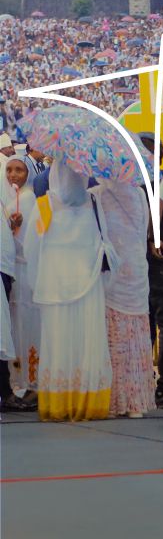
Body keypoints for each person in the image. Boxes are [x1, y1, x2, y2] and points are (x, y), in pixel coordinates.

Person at [23, 153, 113, 421]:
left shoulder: (45, 205)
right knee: (86, 341)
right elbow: (104, 240)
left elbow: (31, 249)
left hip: (55, 287)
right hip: (89, 286)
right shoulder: (93, 202)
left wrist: (41, 276)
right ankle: (87, 401)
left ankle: (60, 403)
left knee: (58, 341)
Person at [98, 177, 155, 418]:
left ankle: (113, 398)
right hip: (137, 273)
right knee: (135, 335)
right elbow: (144, 234)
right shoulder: (140, 194)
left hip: (113, 275)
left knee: (113, 336)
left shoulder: (97, 194)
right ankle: (135, 401)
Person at [1, 155, 37, 411]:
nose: (13, 175)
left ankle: (25, 382)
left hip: (23, 271)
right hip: (9, 270)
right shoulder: (7, 198)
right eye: (9, 170)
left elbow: (31, 240)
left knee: (23, 326)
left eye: (19, 170)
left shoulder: (29, 198)